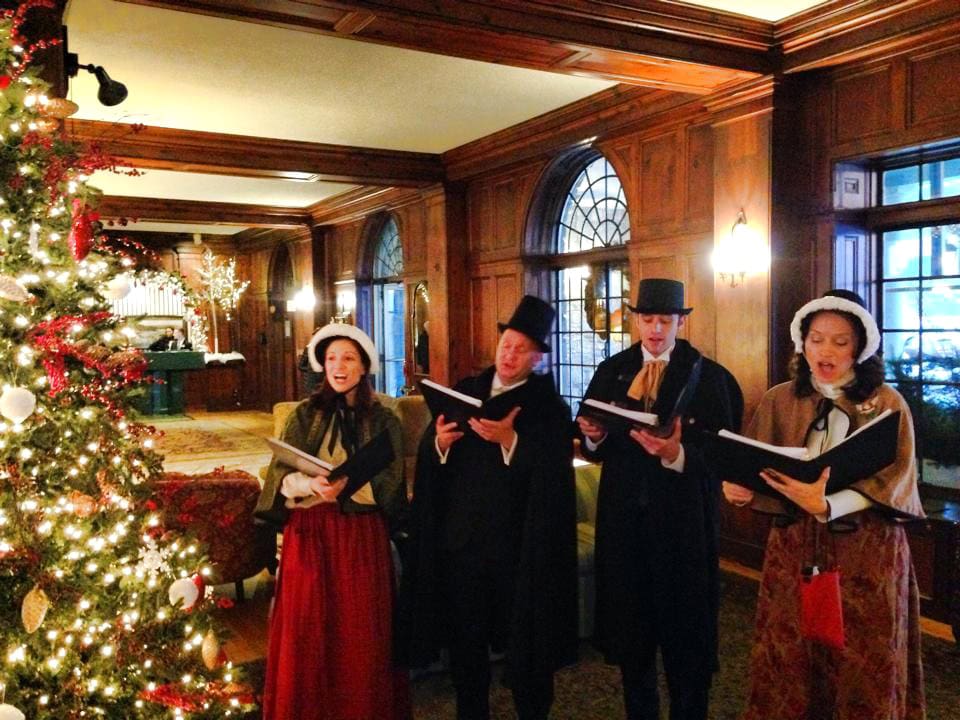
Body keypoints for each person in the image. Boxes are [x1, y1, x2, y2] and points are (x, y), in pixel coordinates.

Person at [721, 289, 925, 720]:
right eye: (816, 339)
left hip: (868, 551)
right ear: (802, 341)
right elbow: (757, 463)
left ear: (861, 347)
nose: (825, 351)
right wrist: (741, 488)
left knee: (862, 659)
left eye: (840, 341)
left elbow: (899, 477)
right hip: (795, 544)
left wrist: (828, 503)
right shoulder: (780, 398)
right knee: (790, 654)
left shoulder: (887, 403)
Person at [398, 295, 578, 720]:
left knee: (528, 651)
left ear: (537, 359)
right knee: (466, 649)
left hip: (519, 554)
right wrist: (438, 444)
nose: (509, 354)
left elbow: (555, 480)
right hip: (462, 546)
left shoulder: (550, 409)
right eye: (506, 344)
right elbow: (430, 449)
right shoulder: (465, 391)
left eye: (521, 349)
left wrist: (510, 442)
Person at [576, 278, 743, 720]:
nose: (655, 330)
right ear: (636, 320)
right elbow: (597, 443)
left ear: (680, 322)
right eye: (647, 319)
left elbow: (724, 456)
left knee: (686, 643)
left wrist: (677, 454)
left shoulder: (709, 377)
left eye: (664, 320)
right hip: (625, 525)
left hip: (683, 528)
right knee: (633, 643)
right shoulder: (613, 370)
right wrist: (592, 438)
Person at [257, 323, 410, 720]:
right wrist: (309, 483)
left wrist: (344, 487)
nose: (338, 366)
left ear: (364, 367)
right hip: (309, 535)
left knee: (359, 635)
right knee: (306, 631)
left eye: (348, 358)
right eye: (330, 359)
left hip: (359, 537)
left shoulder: (385, 420)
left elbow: (390, 489)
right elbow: (279, 475)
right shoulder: (303, 414)